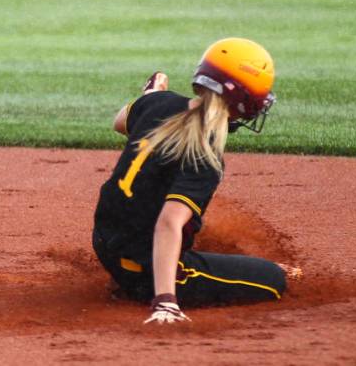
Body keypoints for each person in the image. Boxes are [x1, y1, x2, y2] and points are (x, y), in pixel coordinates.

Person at [92, 38, 297, 323]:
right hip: (144, 269)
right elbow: (168, 222)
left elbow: (119, 122)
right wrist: (165, 300)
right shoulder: (206, 155)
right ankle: (153, 290)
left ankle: (134, 276)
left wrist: (148, 98)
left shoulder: (158, 103)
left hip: (105, 242)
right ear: (245, 103)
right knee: (273, 278)